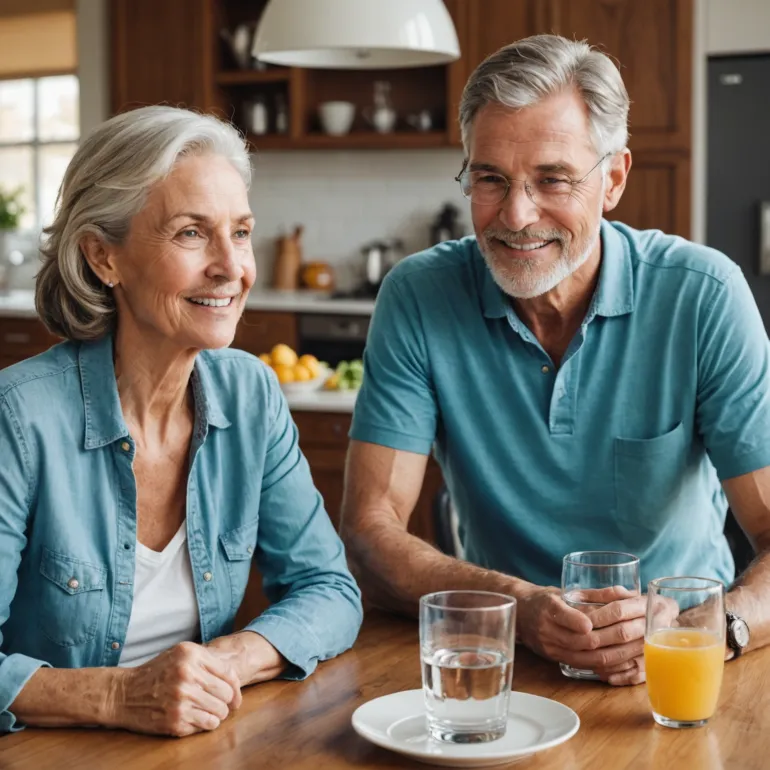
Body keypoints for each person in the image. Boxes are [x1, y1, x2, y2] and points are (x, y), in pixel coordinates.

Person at [340, 35, 770, 686]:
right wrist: (524, 606)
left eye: (552, 179)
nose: (516, 215)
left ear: (614, 179)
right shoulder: (420, 296)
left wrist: (709, 628)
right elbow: (370, 532)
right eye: (490, 179)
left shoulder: (703, 296)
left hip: (681, 668)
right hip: (500, 662)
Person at [0, 106, 362, 736]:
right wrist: (119, 696)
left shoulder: (252, 395)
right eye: (192, 233)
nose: (232, 267)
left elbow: (329, 589)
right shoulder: (19, 417)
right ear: (102, 257)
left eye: (241, 232)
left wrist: (226, 661)